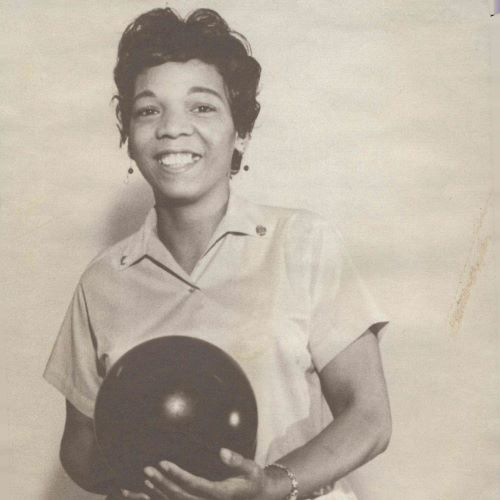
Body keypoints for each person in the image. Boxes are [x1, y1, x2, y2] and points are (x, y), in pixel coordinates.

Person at [44, 7, 391, 500]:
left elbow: (370, 416)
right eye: (149, 109)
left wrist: (272, 483)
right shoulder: (102, 282)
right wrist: (136, 479)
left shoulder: (303, 242)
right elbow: (79, 441)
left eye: (202, 107)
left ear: (241, 132)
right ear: (129, 137)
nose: (172, 128)